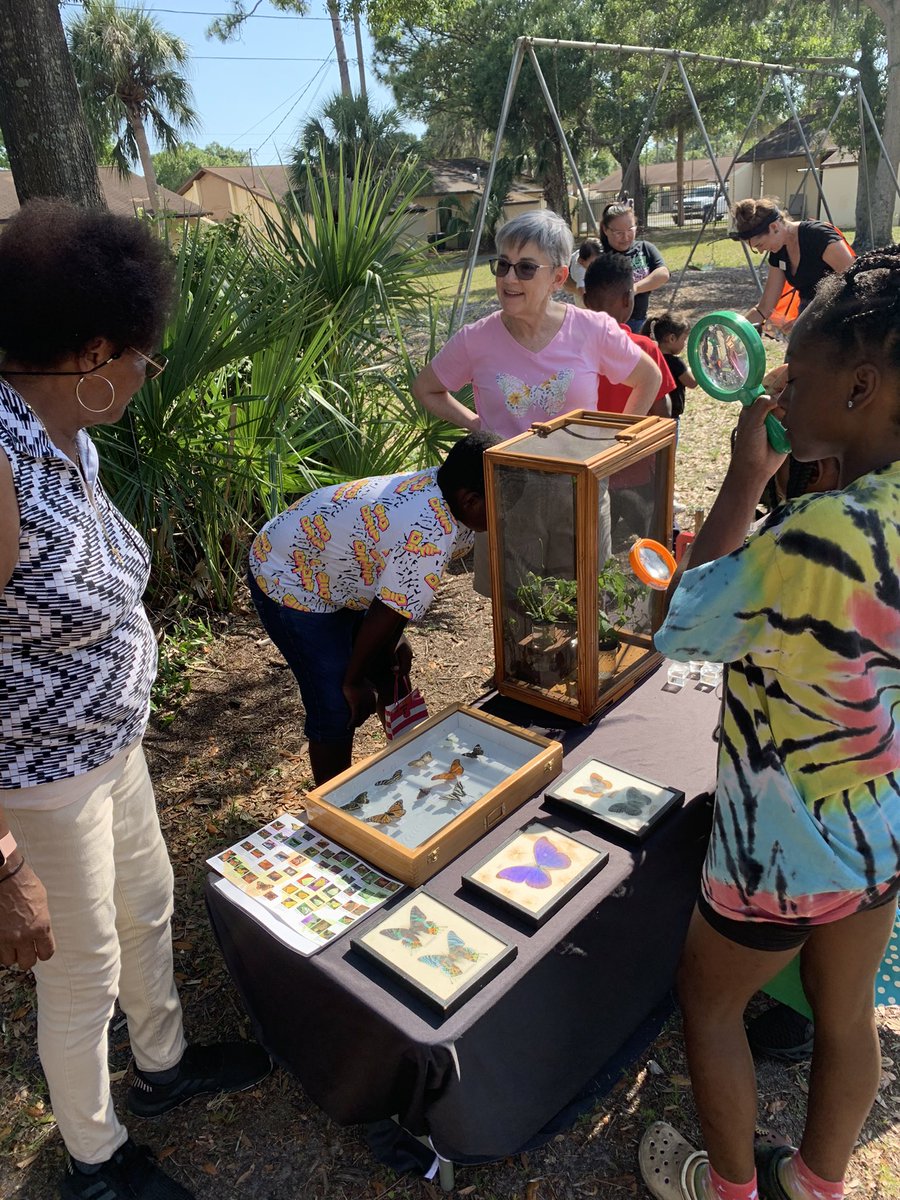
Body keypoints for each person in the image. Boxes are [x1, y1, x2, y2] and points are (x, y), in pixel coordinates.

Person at [0, 200, 270, 1200]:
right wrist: (3, 862)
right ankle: (95, 1162)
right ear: (95, 354)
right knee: (81, 975)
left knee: (147, 910)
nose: (149, 375)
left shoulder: (67, 435)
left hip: (114, 744)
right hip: (41, 779)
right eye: (144, 359)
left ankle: (163, 1068)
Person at [638, 246, 900, 1200]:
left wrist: (746, 473)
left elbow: (679, 625)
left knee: (710, 1007)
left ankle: (730, 1188)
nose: (782, 388)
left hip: (778, 846)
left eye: (799, 372)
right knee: (847, 1015)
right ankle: (817, 1186)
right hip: (876, 825)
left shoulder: (815, 536)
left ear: (860, 386)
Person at [412, 209, 661, 592]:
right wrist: (477, 424)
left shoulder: (591, 329)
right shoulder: (475, 339)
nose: (509, 279)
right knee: (515, 608)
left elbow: (648, 377)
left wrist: (615, 447)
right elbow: (426, 388)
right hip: (507, 493)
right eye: (502, 265)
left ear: (558, 278)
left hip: (580, 490)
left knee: (581, 600)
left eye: (526, 268)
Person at [248, 432, 496, 786]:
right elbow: (388, 612)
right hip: (289, 575)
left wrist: (387, 649)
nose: (508, 512)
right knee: (337, 704)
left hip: (338, 569)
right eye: (502, 503)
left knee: (391, 665)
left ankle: (413, 767)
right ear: (470, 500)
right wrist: (354, 680)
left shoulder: (448, 491)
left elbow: (394, 604)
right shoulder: (429, 528)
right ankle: (334, 802)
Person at [730, 196, 855, 327]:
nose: (761, 251)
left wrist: (808, 321)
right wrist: (736, 331)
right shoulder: (778, 252)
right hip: (808, 318)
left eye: (759, 245)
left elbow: (855, 285)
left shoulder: (819, 236)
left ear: (774, 227)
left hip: (841, 315)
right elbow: (765, 308)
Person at [583, 253, 674, 415]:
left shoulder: (572, 346)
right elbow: (663, 411)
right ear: (627, 299)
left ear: (585, 301)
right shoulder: (644, 348)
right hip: (632, 432)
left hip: (582, 431)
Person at [599, 200, 670, 333]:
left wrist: (635, 288)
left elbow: (663, 274)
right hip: (608, 324)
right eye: (618, 233)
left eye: (630, 230)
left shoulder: (645, 248)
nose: (625, 237)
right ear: (605, 230)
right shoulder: (597, 254)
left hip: (639, 321)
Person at [643, 311, 697, 420]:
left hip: (651, 415)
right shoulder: (676, 363)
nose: (684, 343)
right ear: (672, 338)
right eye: (683, 339)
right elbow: (692, 382)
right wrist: (698, 367)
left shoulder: (650, 359)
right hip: (670, 417)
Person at [562, 236, 603, 305]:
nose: (597, 266)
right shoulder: (580, 271)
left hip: (572, 261)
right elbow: (581, 289)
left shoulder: (587, 257)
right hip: (571, 278)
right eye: (593, 263)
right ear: (581, 261)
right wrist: (588, 301)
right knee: (580, 299)